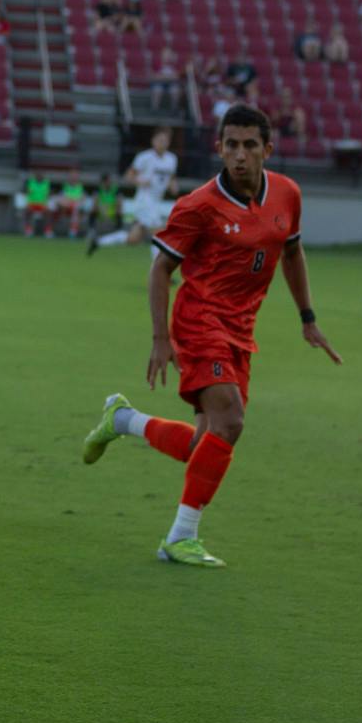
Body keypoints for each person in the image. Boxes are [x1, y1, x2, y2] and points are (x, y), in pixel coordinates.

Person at [79, 104, 340, 568]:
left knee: (206, 446)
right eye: (231, 146)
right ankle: (180, 537)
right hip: (198, 320)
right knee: (231, 422)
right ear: (219, 148)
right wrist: (161, 339)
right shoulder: (199, 205)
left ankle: (123, 420)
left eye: (250, 146)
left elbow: (292, 254)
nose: (240, 156)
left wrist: (308, 318)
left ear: (267, 150)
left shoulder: (287, 194)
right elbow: (161, 269)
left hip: (241, 329)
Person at [90, 128, 178, 255]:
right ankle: (160, 273)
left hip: (156, 200)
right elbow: (128, 176)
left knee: (133, 239)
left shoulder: (171, 159)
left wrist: (173, 186)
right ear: (153, 141)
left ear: (169, 143)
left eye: (165, 140)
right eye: (160, 140)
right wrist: (141, 181)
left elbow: (171, 178)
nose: (162, 143)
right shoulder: (144, 157)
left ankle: (99, 241)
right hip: (144, 199)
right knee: (159, 232)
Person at [22, 170, 55, 238]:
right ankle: (28, 230)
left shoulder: (46, 183)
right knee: (27, 211)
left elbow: (50, 193)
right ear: (35, 176)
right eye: (38, 175)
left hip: (42, 204)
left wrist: (49, 193)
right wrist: (27, 191)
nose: (39, 176)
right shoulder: (31, 182)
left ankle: (48, 231)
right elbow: (25, 191)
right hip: (32, 203)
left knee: (48, 213)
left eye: (41, 175)